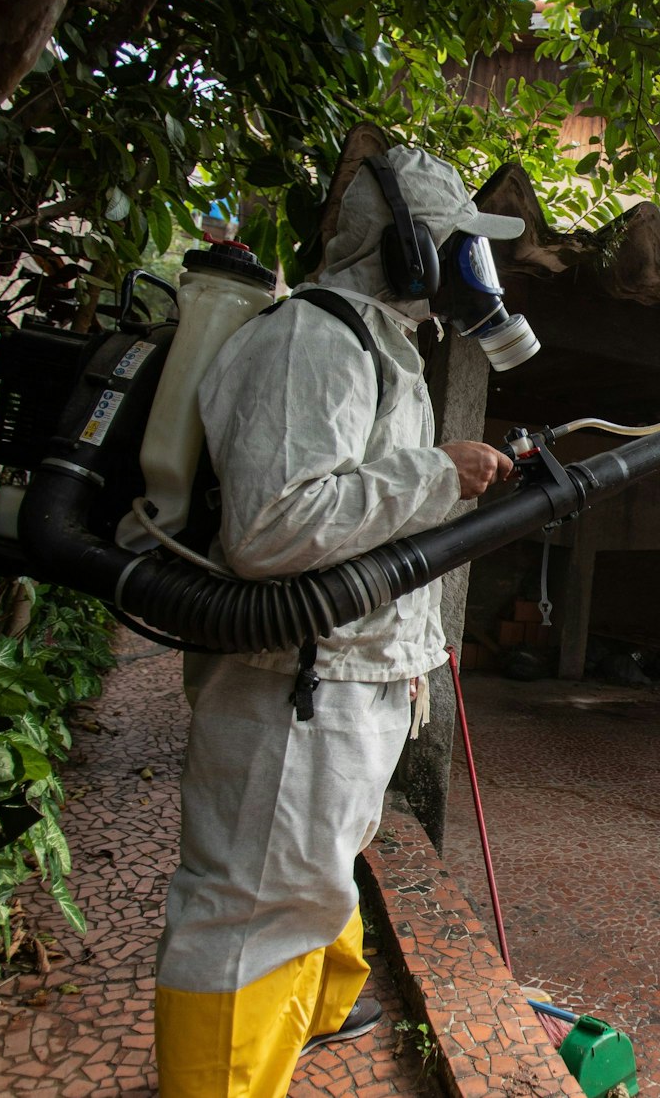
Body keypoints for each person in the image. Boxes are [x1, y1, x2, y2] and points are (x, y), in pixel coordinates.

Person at [151, 127, 521, 1098]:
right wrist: (438, 474)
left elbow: (359, 508)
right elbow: (273, 529)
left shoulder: (376, 345)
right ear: (407, 244)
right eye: (456, 243)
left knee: (306, 890)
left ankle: (310, 1017)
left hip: (341, 686)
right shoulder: (312, 338)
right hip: (293, 694)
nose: (467, 268)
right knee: (248, 917)